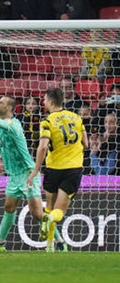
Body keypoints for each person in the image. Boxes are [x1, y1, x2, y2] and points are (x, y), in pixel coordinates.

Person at [0, 94, 58, 252]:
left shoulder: (14, 124)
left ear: (9, 108)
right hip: (14, 175)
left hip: (27, 172)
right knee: (9, 207)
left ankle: (59, 241)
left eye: (1, 102)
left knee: (37, 214)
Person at [27, 88, 88, 252]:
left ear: (51, 102)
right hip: (73, 169)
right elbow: (86, 144)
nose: (43, 102)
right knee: (58, 211)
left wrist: (35, 170)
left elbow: (42, 147)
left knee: (49, 207)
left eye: (45, 100)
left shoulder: (47, 122)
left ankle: (50, 246)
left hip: (53, 169)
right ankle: (50, 224)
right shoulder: (76, 118)